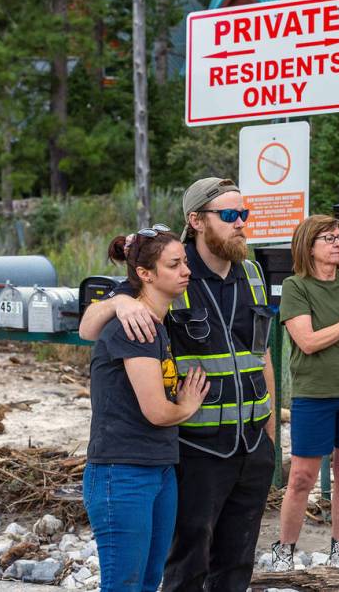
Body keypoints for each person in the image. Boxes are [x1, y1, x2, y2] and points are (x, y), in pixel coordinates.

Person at [79, 178, 276, 592]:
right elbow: (90, 325)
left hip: (252, 447)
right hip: (197, 449)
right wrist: (118, 301)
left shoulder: (254, 273)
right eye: (228, 215)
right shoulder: (168, 273)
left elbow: (262, 356)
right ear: (197, 221)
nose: (240, 223)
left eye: (244, 214)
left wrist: (271, 434)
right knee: (187, 565)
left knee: (237, 564)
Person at [84, 226, 210, 592]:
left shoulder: (155, 322)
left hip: (158, 467)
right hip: (120, 472)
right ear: (145, 274)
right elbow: (156, 411)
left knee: (148, 581)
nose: (186, 271)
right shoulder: (134, 328)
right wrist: (187, 405)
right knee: (123, 584)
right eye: (174, 265)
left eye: (185, 262)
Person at [270, 215, 339, 570]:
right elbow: (307, 342)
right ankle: (283, 550)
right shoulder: (296, 286)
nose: (337, 243)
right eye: (328, 238)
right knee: (302, 477)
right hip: (313, 395)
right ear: (309, 246)